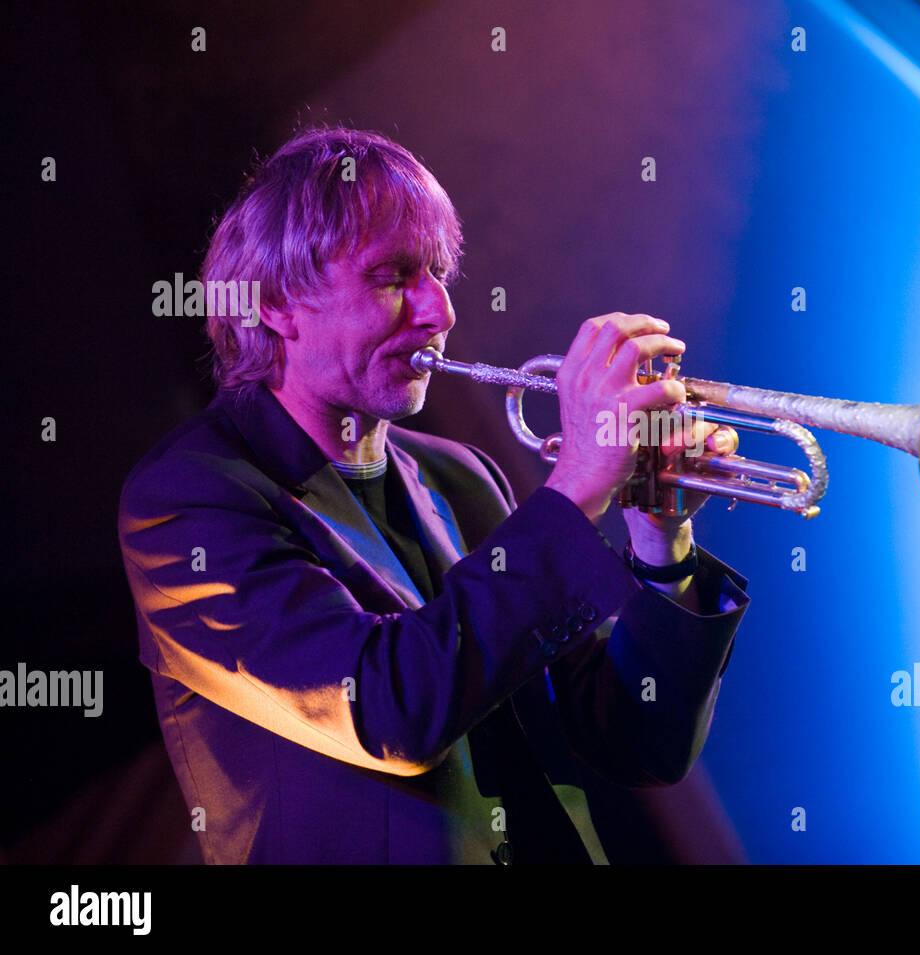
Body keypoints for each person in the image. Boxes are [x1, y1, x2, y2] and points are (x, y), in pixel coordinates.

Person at [117, 126, 750, 864]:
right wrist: (578, 482)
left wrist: (660, 540)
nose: (439, 311)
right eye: (393, 276)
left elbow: (641, 740)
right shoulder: (189, 499)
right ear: (278, 305)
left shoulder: (461, 476)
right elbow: (391, 707)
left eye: (439, 274)